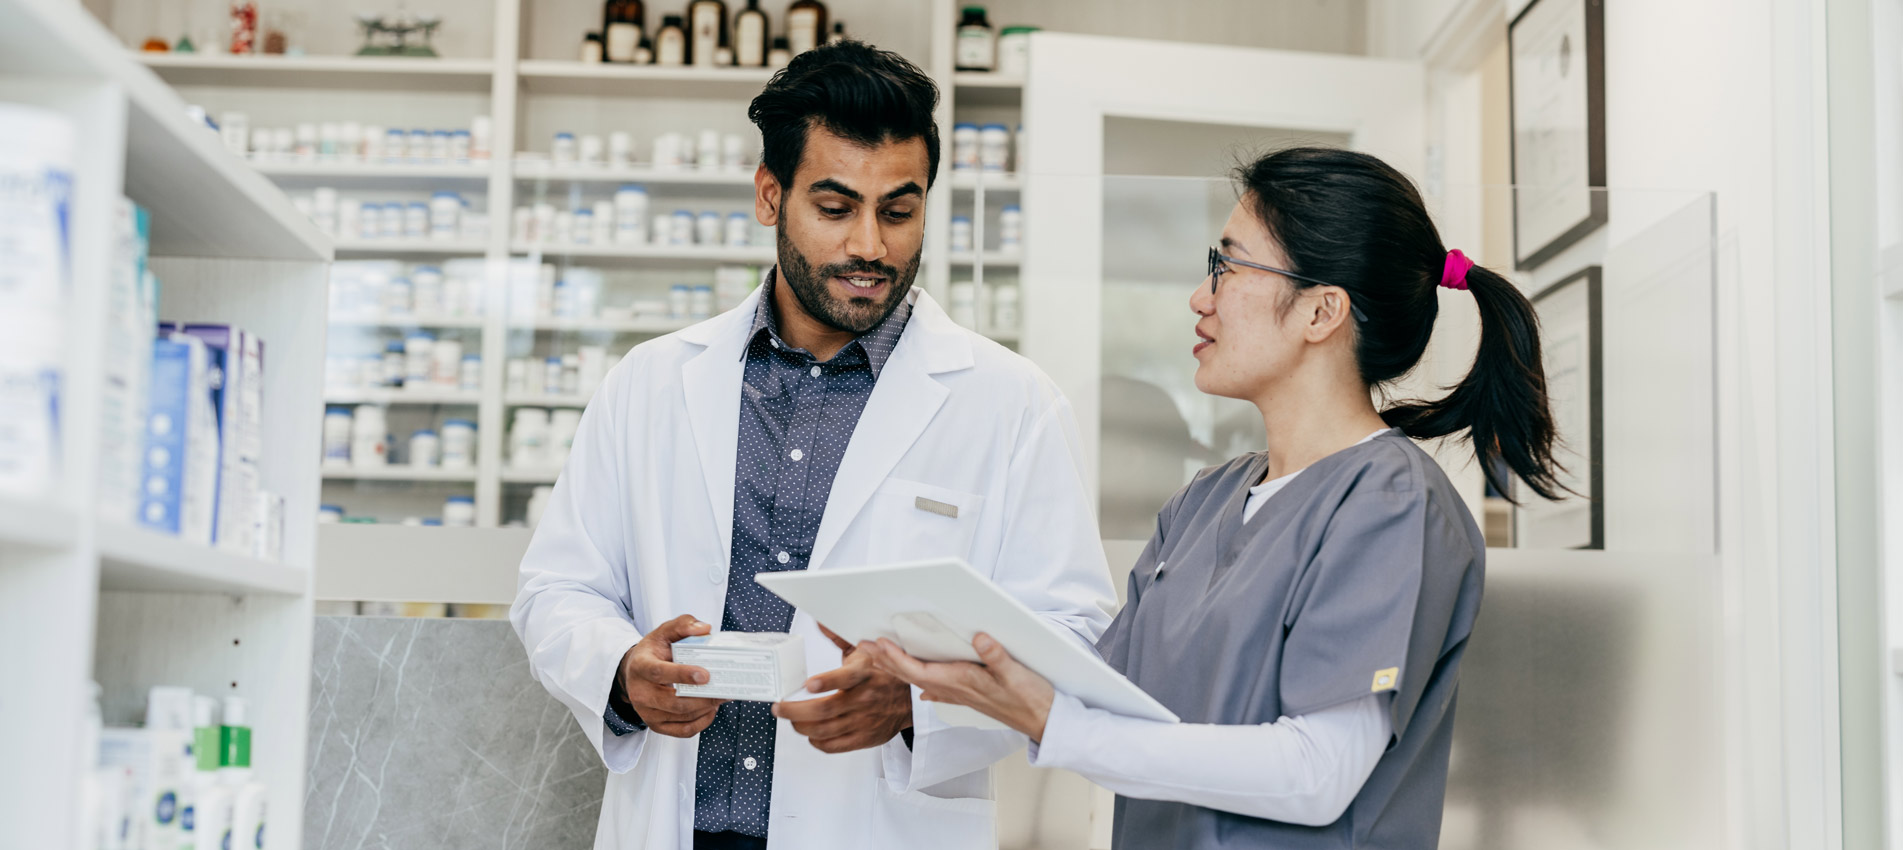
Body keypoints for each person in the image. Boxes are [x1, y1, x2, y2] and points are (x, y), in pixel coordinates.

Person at [866, 146, 1566, 849]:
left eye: (1227, 266)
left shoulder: (1394, 504)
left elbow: (1317, 771)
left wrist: (1058, 724)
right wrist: (931, 667)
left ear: (1321, 311)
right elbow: (1103, 697)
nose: (1201, 297)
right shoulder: (1204, 502)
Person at [510, 41, 1115, 850]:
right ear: (770, 196)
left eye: (899, 211)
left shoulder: (1010, 404)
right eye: (835, 209)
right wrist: (621, 672)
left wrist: (916, 704)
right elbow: (557, 588)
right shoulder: (651, 382)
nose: (871, 245)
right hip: (676, 823)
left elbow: (1071, 634)